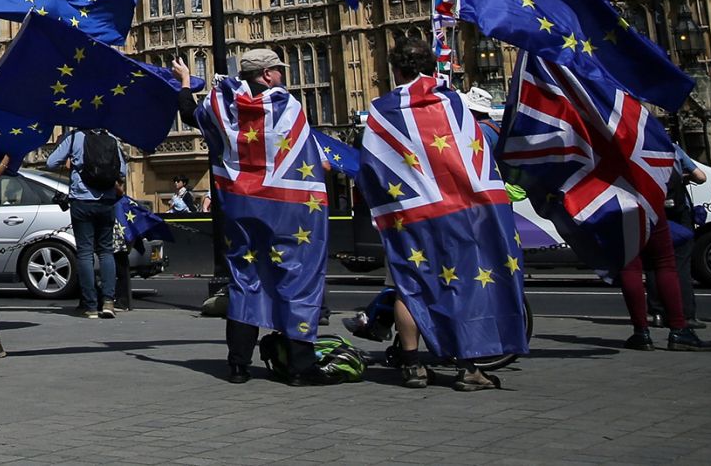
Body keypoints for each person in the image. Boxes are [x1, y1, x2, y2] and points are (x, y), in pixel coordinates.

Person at [357, 38, 526, 392]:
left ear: (396, 69)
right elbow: (476, 161)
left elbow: (372, 168)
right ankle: (467, 368)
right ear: (432, 66)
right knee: (461, 282)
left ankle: (413, 366)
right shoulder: (455, 104)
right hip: (460, 213)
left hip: (410, 216)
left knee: (408, 284)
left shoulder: (381, 111)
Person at [173, 50, 330, 386]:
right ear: (268, 75)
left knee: (245, 279)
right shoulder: (287, 106)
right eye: (278, 70)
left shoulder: (224, 106)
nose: (282, 76)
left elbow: (188, 113)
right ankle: (300, 366)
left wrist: (185, 82)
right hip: (290, 207)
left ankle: (238, 365)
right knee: (296, 278)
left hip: (241, 205)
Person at [44, 126, 126, 318]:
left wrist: (71, 158)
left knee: (85, 252)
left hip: (82, 200)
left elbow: (50, 163)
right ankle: (108, 302)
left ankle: (90, 305)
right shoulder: (111, 136)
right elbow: (122, 170)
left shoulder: (74, 137)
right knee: (106, 251)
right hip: (106, 200)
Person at [650, 149, 709, 330]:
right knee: (681, 264)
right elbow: (701, 177)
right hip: (678, 212)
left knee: (654, 263)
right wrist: (686, 177)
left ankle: (657, 313)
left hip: (652, 210)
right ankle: (685, 314)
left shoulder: (635, 146)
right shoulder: (673, 149)